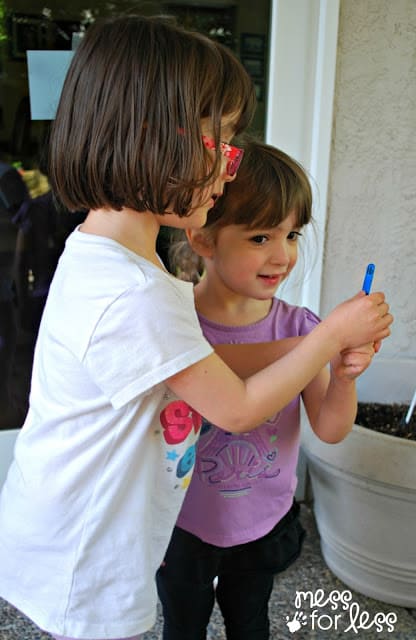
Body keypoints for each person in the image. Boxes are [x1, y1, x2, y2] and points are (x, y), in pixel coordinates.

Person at [0, 16, 392, 640]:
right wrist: (325, 337)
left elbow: (191, 363)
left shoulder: (110, 255)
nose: (231, 170)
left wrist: (309, 341)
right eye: (224, 146)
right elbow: (235, 409)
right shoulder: (137, 293)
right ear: (154, 139)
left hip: (68, 526)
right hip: (87, 556)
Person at [157, 138, 391, 640]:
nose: (283, 256)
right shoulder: (172, 327)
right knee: (182, 625)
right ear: (203, 237)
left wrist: (345, 378)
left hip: (261, 521)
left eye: (292, 235)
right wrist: (326, 341)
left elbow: (329, 430)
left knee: (250, 623)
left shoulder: (301, 327)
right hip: (180, 523)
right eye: (261, 237)